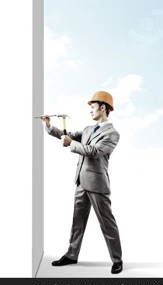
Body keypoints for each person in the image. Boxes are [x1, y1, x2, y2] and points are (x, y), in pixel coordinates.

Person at [41, 91, 123, 274]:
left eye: (92, 107)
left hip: (97, 184)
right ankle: (72, 254)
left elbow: (94, 151)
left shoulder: (112, 134)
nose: (90, 111)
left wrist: (71, 144)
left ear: (103, 107)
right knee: (77, 221)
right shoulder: (87, 129)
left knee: (107, 223)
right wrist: (49, 126)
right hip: (80, 181)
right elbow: (67, 134)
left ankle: (117, 260)